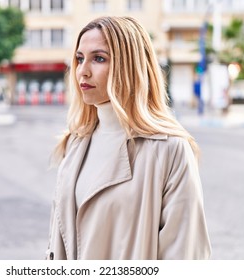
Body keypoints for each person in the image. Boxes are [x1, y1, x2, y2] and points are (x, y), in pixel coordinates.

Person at [46, 16, 211, 260]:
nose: (83, 70)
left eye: (99, 58)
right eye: (80, 59)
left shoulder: (170, 150)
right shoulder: (75, 142)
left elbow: (184, 257)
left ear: (129, 66)